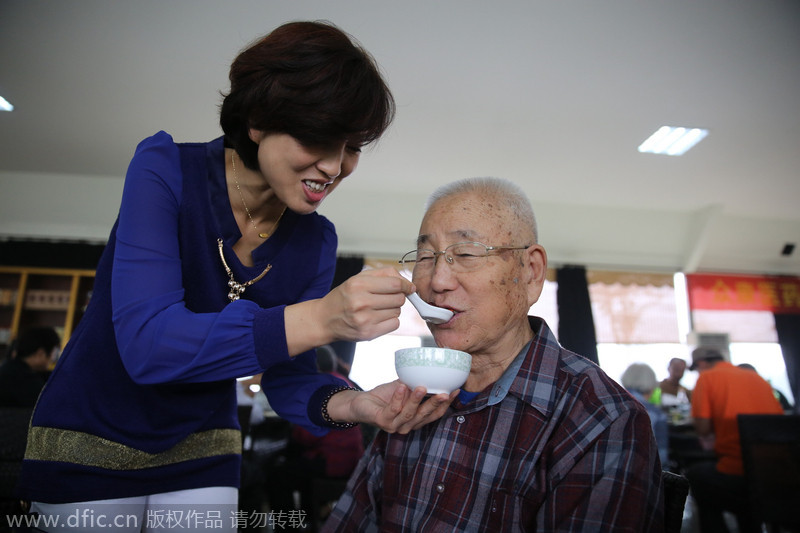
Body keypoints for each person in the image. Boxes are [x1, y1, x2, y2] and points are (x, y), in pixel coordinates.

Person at [16, 21, 455, 531]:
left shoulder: (316, 241)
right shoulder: (164, 170)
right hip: (90, 434)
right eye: (319, 138)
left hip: (205, 444)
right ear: (257, 120)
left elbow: (288, 382)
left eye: (353, 147)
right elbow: (148, 345)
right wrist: (322, 317)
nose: (335, 166)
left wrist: (359, 404)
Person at [323, 177, 664, 532]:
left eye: (466, 254)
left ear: (530, 272)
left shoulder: (602, 418)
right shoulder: (412, 394)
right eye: (425, 257)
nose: (437, 280)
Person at [685, 347, 784, 533]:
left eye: (696, 369)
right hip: (777, 473)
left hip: (739, 473)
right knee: (743, 496)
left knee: (697, 476)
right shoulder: (756, 378)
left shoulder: (706, 378)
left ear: (701, 364)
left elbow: (703, 429)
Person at [265, 345, 364, 518]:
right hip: (353, 459)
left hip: (332, 461)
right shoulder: (341, 381)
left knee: (277, 476)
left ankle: (290, 527)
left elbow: (308, 435)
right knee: (295, 463)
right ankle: (309, 516)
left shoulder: (322, 387)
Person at [621, 362, 669, 465]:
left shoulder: (613, 402)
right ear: (652, 382)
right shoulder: (655, 414)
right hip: (640, 473)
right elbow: (661, 458)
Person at [0, 326, 60, 408]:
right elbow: (51, 404)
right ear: (40, 354)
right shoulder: (22, 378)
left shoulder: (10, 367)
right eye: (54, 354)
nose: (53, 360)